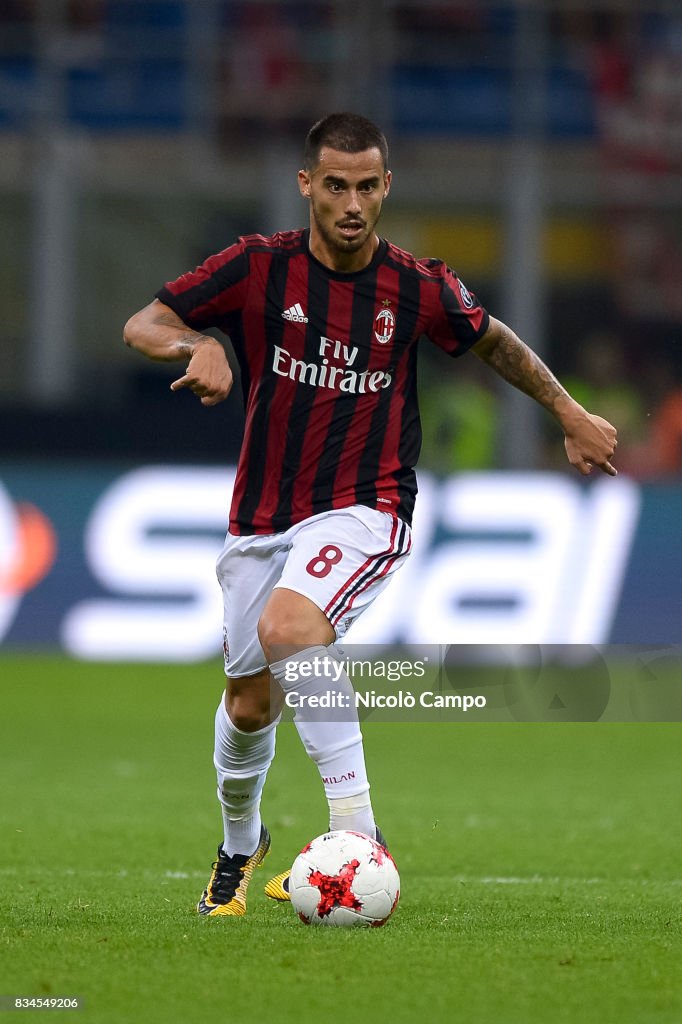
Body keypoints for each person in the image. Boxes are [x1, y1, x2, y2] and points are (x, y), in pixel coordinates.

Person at [123, 112, 618, 918]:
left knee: (291, 629)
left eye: (367, 186)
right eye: (335, 186)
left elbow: (493, 341)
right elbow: (143, 322)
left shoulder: (416, 286)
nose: (352, 204)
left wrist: (569, 412)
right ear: (306, 186)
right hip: (260, 515)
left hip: (366, 504)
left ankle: (359, 838)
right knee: (248, 704)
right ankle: (241, 845)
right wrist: (195, 345)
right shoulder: (256, 268)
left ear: (385, 186)